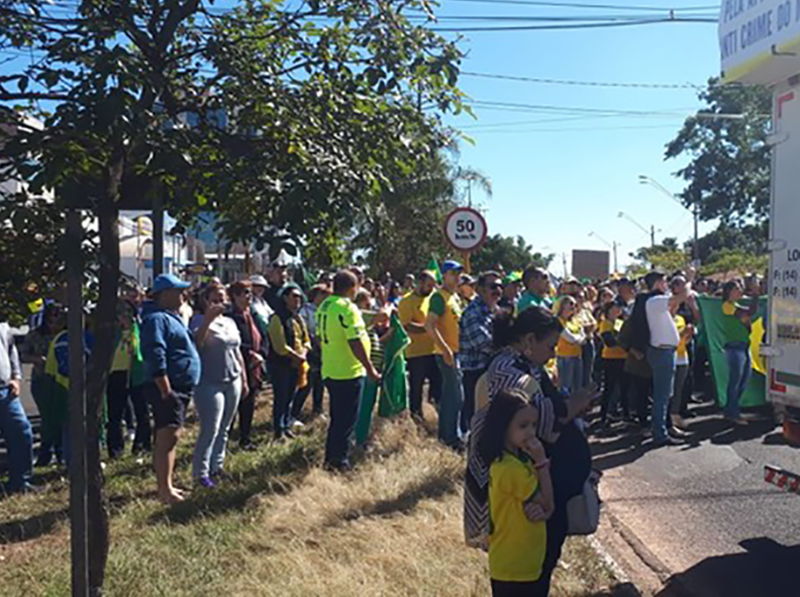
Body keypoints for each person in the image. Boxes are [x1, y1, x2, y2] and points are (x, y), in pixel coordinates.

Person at [464, 307, 594, 597]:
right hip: (530, 490)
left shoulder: (525, 365)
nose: (551, 354)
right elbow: (546, 422)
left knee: (538, 565)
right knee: (527, 574)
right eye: (549, 346)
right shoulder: (510, 371)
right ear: (529, 339)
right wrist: (576, 404)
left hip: (540, 483)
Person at [479, 389, 554, 596]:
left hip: (521, 561)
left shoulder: (519, 460)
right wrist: (542, 462)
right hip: (515, 565)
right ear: (503, 426)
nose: (530, 432)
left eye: (533, 425)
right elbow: (548, 502)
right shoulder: (510, 468)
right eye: (522, 426)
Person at [140, 273, 202, 503]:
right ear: (164, 294)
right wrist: (165, 389)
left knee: (172, 436)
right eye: (178, 291)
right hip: (169, 386)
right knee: (167, 436)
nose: (183, 295)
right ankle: (164, 491)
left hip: (180, 385)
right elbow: (155, 352)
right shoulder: (156, 319)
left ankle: (168, 485)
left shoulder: (170, 316)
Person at [316, 270, 380, 470]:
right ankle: (339, 462)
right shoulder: (347, 308)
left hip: (330, 369)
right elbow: (354, 341)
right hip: (348, 372)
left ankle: (331, 457)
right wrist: (369, 368)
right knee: (347, 421)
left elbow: (318, 338)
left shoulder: (324, 305)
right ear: (353, 288)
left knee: (337, 418)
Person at [191, 283, 246, 488]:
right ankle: (200, 473)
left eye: (223, 299)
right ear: (205, 300)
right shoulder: (197, 320)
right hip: (209, 381)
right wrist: (207, 320)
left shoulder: (230, 322)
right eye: (215, 299)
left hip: (233, 378)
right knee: (210, 428)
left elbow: (236, 350)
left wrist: (244, 377)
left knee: (224, 427)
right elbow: (197, 344)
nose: (220, 303)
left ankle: (217, 467)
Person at [631, 271, 688, 447]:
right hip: (662, 352)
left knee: (663, 395)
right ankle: (660, 434)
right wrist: (689, 280)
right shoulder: (655, 301)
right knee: (662, 397)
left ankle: (661, 430)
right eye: (664, 282)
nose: (667, 285)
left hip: (664, 351)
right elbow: (682, 296)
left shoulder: (654, 302)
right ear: (656, 283)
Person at [426, 260, 466, 449]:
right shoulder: (438, 297)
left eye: (459, 274)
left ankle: (450, 434)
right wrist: (445, 349)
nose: (457, 277)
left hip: (457, 352)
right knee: (454, 396)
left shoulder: (454, 297)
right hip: (446, 354)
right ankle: (449, 437)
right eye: (453, 273)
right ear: (444, 275)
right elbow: (429, 325)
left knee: (455, 396)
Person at [21, 302, 64, 466]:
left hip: (60, 379)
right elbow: (23, 354)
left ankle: (60, 452)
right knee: (47, 417)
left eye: (58, 317)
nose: (54, 321)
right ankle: (45, 453)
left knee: (59, 416)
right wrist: (37, 359)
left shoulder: (65, 334)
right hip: (42, 378)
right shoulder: (35, 335)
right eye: (52, 317)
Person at [459, 271, 502, 435]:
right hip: (475, 371)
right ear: (481, 290)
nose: (497, 290)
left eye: (500, 286)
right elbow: (484, 343)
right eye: (493, 286)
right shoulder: (472, 313)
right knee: (474, 412)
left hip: (491, 369)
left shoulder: (496, 310)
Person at [267, 284, 310, 440]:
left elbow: (306, 339)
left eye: (299, 297)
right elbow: (279, 346)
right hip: (281, 365)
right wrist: (295, 356)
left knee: (290, 396)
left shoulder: (297, 318)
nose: (297, 299)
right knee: (281, 396)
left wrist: (304, 353)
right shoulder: (276, 318)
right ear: (285, 298)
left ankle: (286, 425)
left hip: (296, 364)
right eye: (294, 296)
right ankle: (278, 430)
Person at [398, 271, 441, 419]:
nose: (431, 288)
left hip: (435, 351)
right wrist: (428, 327)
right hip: (416, 353)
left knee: (438, 386)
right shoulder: (406, 301)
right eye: (429, 285)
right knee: (416, 388)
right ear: (420, 283)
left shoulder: (433, 299)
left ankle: (436, 415)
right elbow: (406, 325)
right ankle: (416, 418)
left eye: (433, 285)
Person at [227, 281, 264, 450]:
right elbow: (235, 344)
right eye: (245, 293)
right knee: (233, 407)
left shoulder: (252, 315)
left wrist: (261, 353)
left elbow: (262, 336)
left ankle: (245, 439)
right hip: (238, 366)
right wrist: (249, 354)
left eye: (250, 293)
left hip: (253, 367)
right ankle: (224, 441)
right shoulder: (231, 318)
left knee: (249, 404)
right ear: (235, 296)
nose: (249, 296)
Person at [0, 316, 34, 493]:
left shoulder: (3, 325)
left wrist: (16, 377)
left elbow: (11, 350)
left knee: (21, 432)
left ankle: (21, 483)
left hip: (6, 390)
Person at [720, 280, 759, 425]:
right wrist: (755, 294)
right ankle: (732, 413)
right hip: (734, 347)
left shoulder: (734, 306)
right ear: (728, 291)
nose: (740, 291)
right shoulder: (727, 306)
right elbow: (749, 313)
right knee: (735, 381)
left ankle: (732, 410)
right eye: (736, 288)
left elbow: (749, 314)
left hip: (743, 346)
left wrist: (755, 295)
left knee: (743, 381)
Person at [106, 301, 136, 459]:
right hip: (114, 373)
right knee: (115, 414)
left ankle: (140, 445)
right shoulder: (112, 334)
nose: (123, 318)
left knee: (138, 409)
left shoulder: (136, 331)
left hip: (132, 373)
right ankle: (115, 449)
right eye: (120, 315)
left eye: (127, 315)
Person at [296, 284, 330, 418]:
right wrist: (313, 339)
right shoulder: (305, 310)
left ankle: (318, 409)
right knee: (307, 382)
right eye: (323, 295)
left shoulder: (326, 310)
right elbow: (302, 328)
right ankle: (295, 412)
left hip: (323, 349)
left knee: (320, 382)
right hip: (310, 350)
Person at [598, 301, 629, 429]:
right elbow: (610, 342)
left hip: (623, 358)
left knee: (624, 388)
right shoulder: (605, 324)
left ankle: (626, 414)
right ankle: (604, 415)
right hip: (611, 359)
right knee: (609, 388)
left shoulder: (620, 323)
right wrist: (625, 343)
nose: (618, 309)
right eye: (615, 308)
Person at [554, 295, 585, 394]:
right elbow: (570, 338)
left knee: (577, 386)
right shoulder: (558, 321)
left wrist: (578, 339)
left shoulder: (575, 320)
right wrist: (579, 339)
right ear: (562, 305)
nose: (574, 306)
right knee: (565, 386)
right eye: (570, 304)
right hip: (565, 357)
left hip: (577, 355)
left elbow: (584, 336)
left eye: (575, 304)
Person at [670, 307, 694, 437]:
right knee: (670, 390)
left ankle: (675, 414)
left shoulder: (680, 319)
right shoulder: (665, 320)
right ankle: (669, 418)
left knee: (679, 388)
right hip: (670, 356)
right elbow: (671, 339)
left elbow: (685, 341)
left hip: (682, 357)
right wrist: (681, 334)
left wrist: (688, 334)